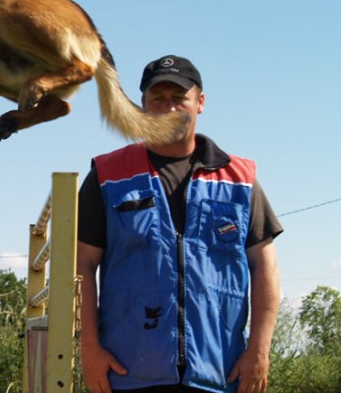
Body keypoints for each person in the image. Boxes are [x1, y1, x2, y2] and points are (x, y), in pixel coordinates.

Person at [76, 55, 282, 393]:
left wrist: (259, 350)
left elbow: (265, 265)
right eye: (158, 98)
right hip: (128, 372)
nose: (168, 108)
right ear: (141, 106)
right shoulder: (107, 176)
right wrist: (89, 349)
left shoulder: (240, 181)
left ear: (199, 103)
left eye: (179, 97)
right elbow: (81, 266)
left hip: (221, 373)